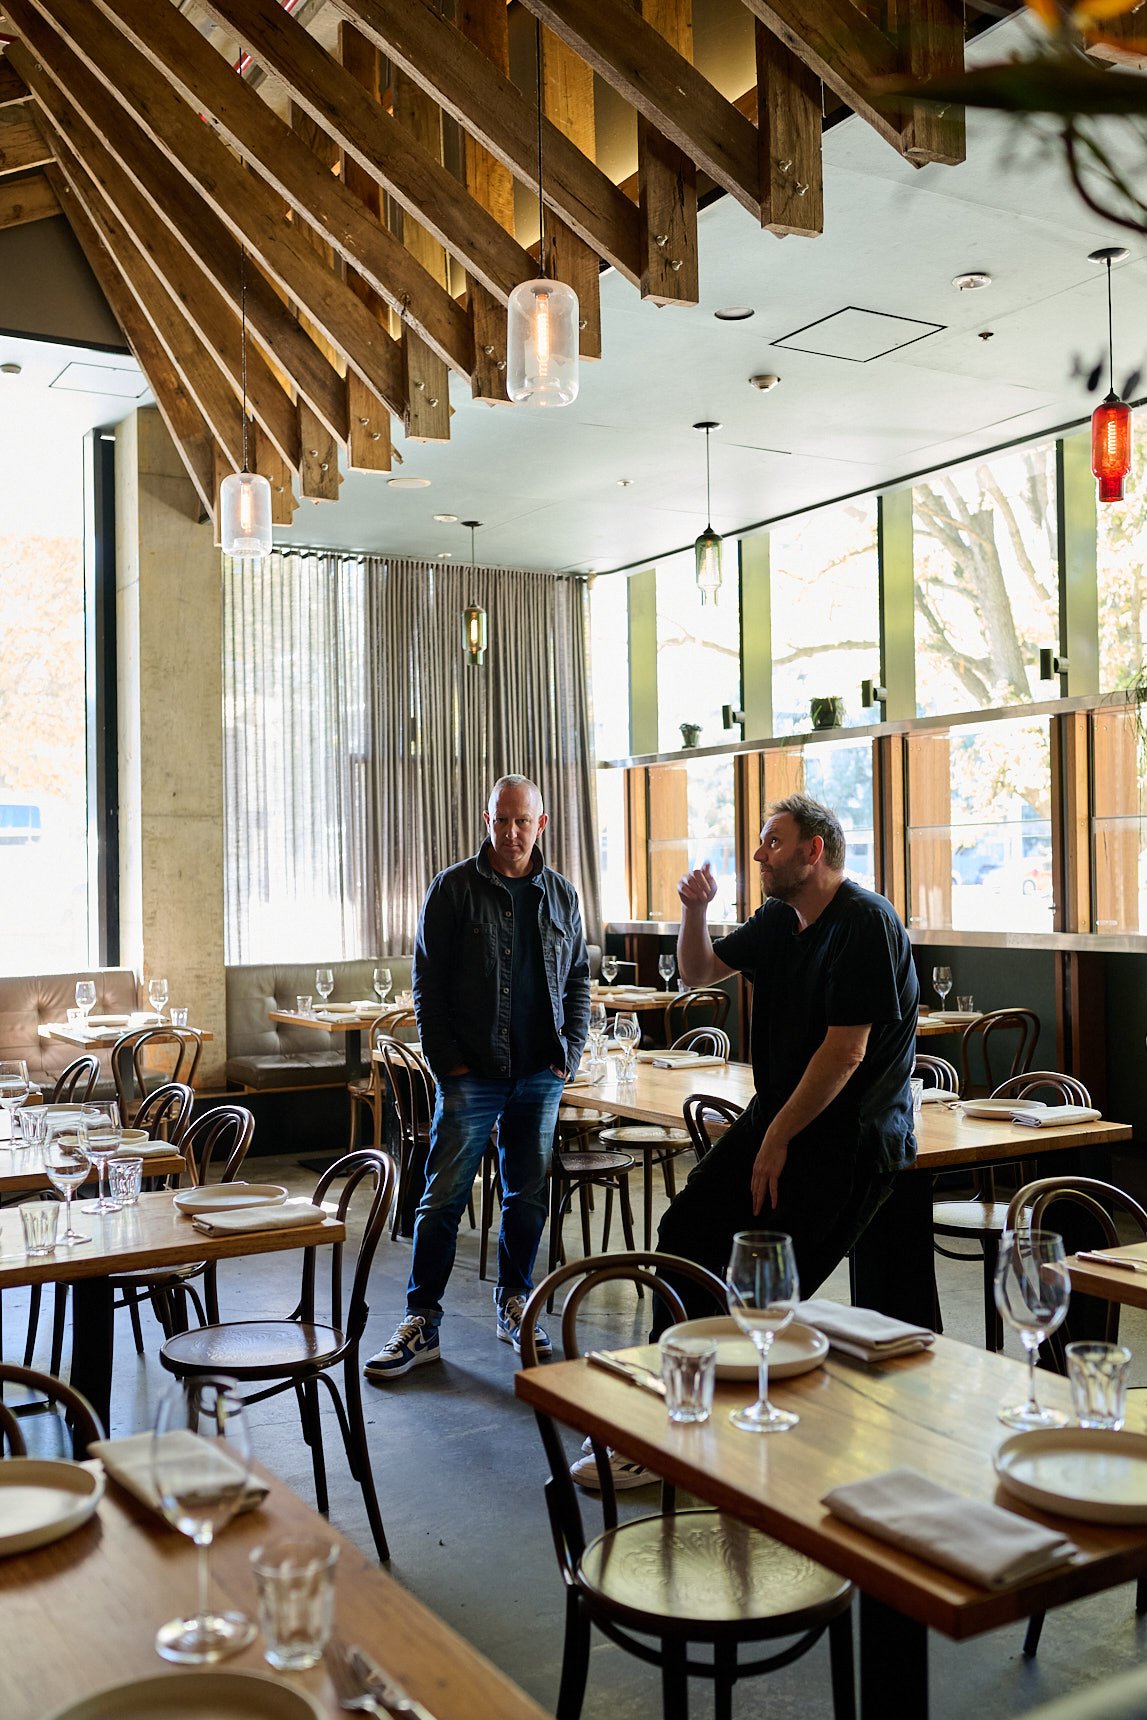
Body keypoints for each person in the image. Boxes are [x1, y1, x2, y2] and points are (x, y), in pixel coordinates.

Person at [657, 792, 919, 1327]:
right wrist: (694, 911)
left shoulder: (865, 921)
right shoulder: (780, 918)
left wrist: (777, 1138)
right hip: (780, 1115)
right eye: (761, 842)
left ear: (813, 851)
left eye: (773, 842)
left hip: (848, 1137)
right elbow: (699, 970)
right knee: (685, 1229)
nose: (759, 855)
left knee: (767, 1283)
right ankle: (675, 1372)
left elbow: (846, 1053)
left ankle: (752, 1386)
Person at [365, 775, 589, 1380]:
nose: (512, 832)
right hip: (472, 1075)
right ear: (486, 821)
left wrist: (570, 1049)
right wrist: (447, 1062)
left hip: (541, 1073)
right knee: (442, 1200)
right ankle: (421, 1322)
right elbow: (426, 984)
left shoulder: (563, 896)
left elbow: (578, 981)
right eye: (502, 821)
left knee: (527, 1197)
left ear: (542, 825)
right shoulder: (453, 889)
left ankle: (516, 1304)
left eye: (523, 821)